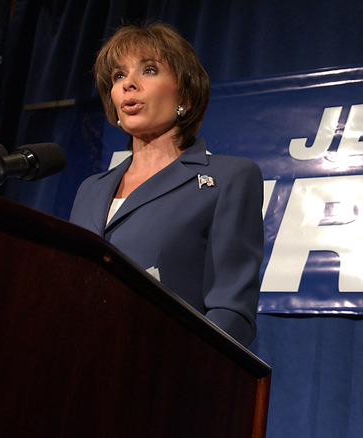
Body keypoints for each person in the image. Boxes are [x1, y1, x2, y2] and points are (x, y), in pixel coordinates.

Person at [70, 22, 263, 347]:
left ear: (185, 96)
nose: (129, 84)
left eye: (148, 70)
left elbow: (232, 311)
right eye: (118, 76)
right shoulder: (90, 189)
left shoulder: (229, 178)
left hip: (165, 375)